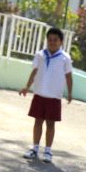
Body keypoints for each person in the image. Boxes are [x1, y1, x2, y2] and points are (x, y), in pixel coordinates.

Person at [19, 27, 73, 164]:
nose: (52, 42)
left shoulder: (65, 58)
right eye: (50, 39)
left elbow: (68, 76)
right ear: (47, 40)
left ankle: (48, 151)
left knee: (50, 124)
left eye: (56, 40)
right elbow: (34, 72)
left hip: (54, 97)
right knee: (37, 121)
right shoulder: (40, 55)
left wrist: (70, 93)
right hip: (39, 94)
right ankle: (34, 148)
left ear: (61, 42)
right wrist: (27, 86)